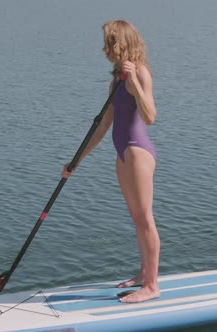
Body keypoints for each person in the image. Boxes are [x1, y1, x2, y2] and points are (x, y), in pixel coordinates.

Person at [62, 20, 160, 303]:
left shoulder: (141, 72)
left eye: (109, 42)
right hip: (122, 153)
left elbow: (151, 116)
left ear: (121, 44)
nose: (105, 48)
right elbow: (104, 125)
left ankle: (152, 286)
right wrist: (75, 161)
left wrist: (136, 85)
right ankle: (143, 274)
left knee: (145, 219)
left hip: (137, 151)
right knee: (136, 219)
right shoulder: (115, 80)